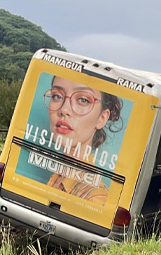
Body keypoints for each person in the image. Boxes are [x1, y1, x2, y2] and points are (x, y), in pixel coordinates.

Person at [44, 76, 124, 204]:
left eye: (83, 100)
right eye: (57, 96)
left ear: (101, 118)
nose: (64, 110)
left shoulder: (95, 198)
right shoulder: (59, 176)